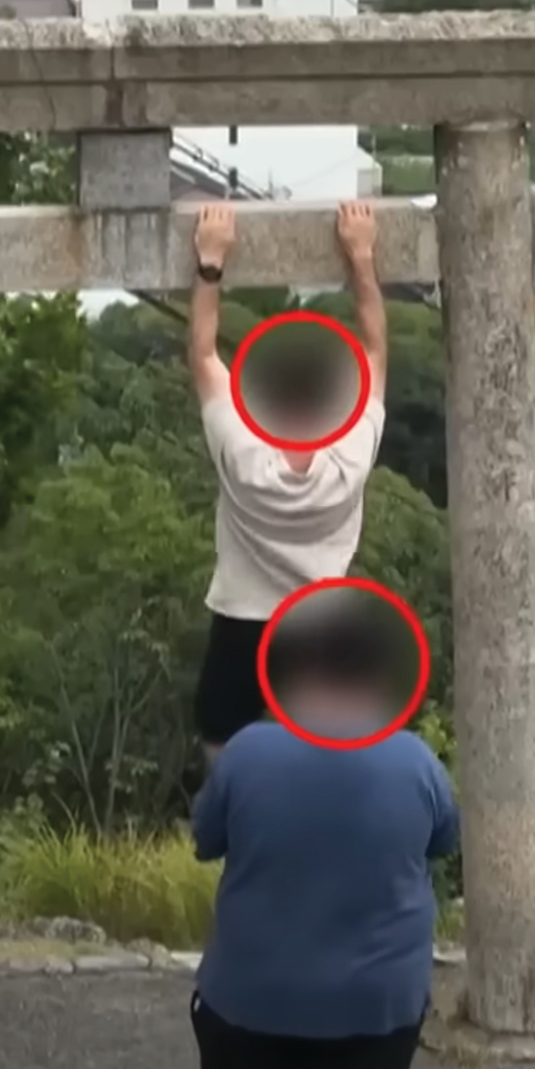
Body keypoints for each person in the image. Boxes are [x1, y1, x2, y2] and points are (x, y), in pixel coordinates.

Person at [187, 600, 461, 1069]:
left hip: (249, 985)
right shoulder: (414, 762)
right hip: (370, 996)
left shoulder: (248, 751)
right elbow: (442, 840)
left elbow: (206, 838)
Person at [189, 200, 390, 764]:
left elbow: (204, 352)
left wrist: (211, 261)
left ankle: (237, 838)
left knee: (219, 733)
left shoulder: (245, 454)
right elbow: (374, 350)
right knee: (327, 754)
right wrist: (361, 256)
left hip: (242, 617)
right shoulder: (348, 459)